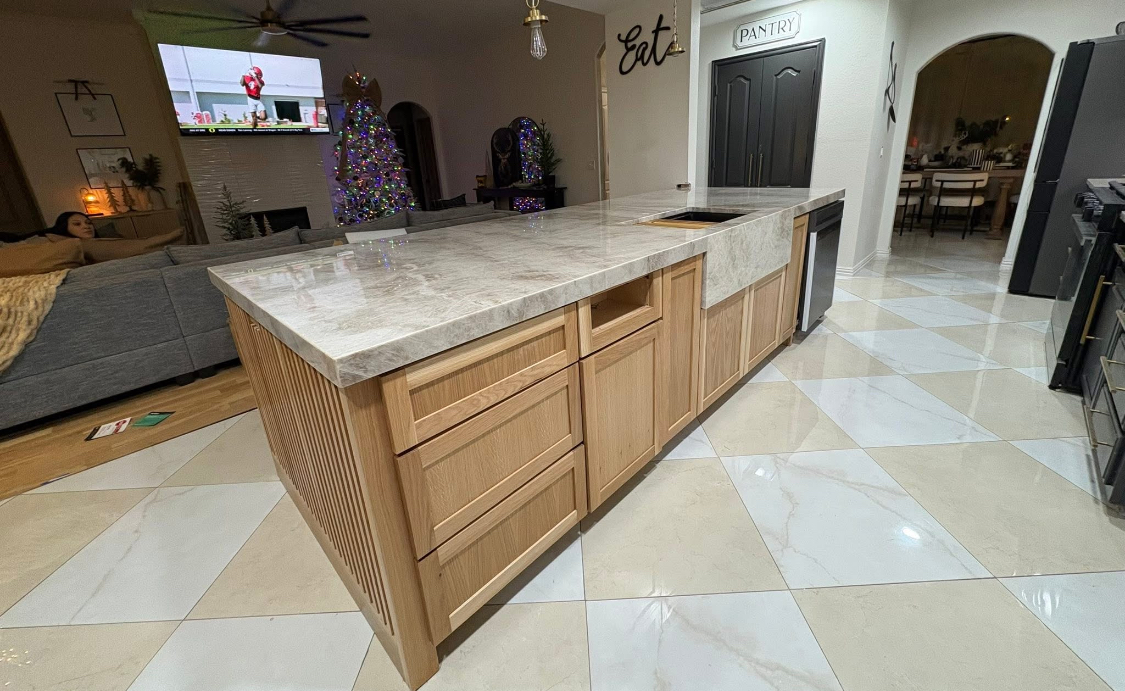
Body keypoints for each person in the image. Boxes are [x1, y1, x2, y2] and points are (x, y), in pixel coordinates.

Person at [0, 211, 96, 244]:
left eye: (88, 223)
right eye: (77, 224)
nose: (86, 226)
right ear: (64, 227)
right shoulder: (49, 240)